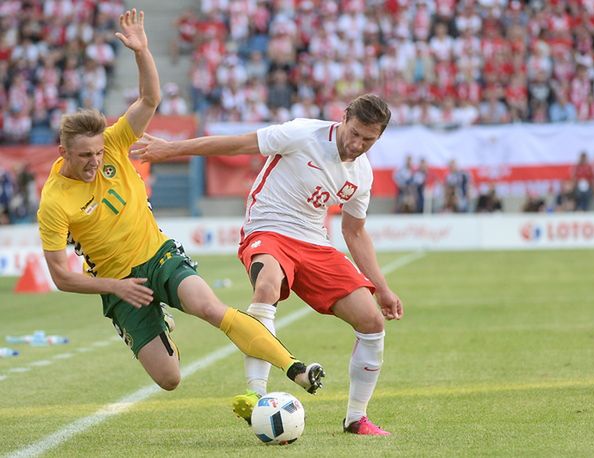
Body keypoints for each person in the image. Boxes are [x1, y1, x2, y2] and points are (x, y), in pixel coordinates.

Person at [36, 9, 323, 396]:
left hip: (159, 256)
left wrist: (141, 51)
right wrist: (114, 288)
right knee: (169, 380)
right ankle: (158, 321)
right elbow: (61, 276)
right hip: (118, 281)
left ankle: (296, 369)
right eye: (85, 155)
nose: (95, 161)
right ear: (63, 152)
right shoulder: (53, 201)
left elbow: (150, 98)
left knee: (210, 308)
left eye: (98, 153)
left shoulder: (115, 142)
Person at [135, 94, 403, 436]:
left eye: (369, 140)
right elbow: (236, 145)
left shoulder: (362, 175)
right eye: (355, 133)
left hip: (314, 243)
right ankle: (256, 395)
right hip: (269, 228)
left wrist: (381, 287)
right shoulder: (303, 134)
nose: (357, 144)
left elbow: (354, 231)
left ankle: (356, 418)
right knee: (266, 287)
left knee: (372, 321)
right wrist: (170, 149)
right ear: (345, 117)